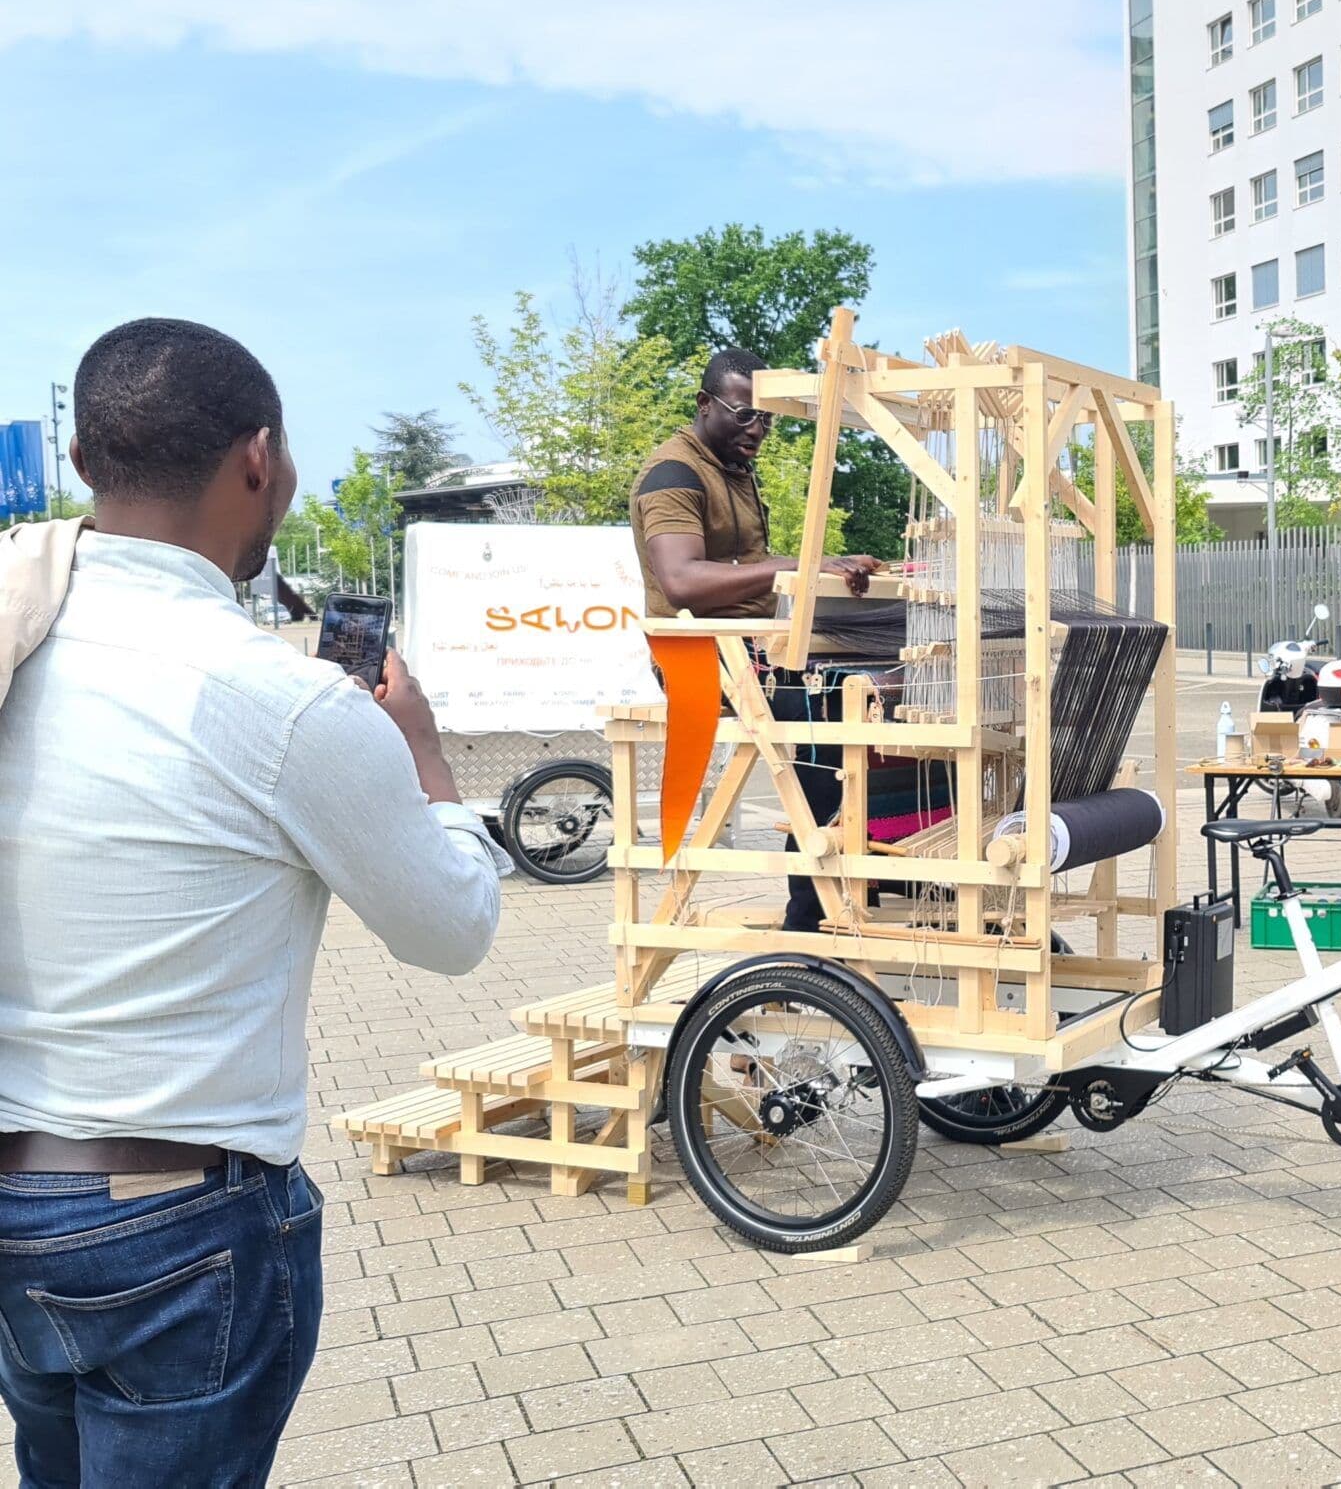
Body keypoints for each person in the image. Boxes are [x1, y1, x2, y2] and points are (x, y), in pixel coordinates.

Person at [0, 319, 506, 1486]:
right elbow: (451, 930)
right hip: (179, 1220)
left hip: (18, 1192)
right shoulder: (284, 701)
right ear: (259, 458)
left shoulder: (16, 648)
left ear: (85, 462)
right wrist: (423, 757)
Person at [631, 347, 881, 932]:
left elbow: (753, 567)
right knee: (826, 706)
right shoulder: (674, 475)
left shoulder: (734, 471)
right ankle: (810, 913)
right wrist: (803, 564)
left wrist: (830, 568)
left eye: (766, 418)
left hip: (748, 650)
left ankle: (887, 874)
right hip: (698, 661)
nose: (758, 430)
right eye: (744, 415)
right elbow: (682, 580)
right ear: (704, 405)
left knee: (883, 691)